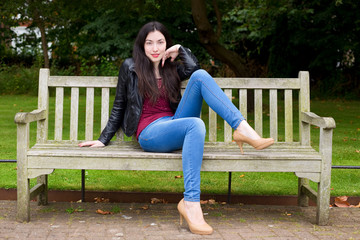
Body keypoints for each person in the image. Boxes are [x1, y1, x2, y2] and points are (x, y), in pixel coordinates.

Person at [79, 21, 274, 235]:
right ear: (142, 46)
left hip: (173, 124)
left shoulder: (171, 67)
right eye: (149, 43)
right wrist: (103, 139)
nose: (155, 48)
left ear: (166, 45)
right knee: (196, 124)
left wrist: (181, 49)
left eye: (160, 42)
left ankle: (243, 128)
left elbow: (194, 68)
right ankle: (191, 203)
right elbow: (119, 105)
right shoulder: (130, 67)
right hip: (150, 133)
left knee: (199, 77)